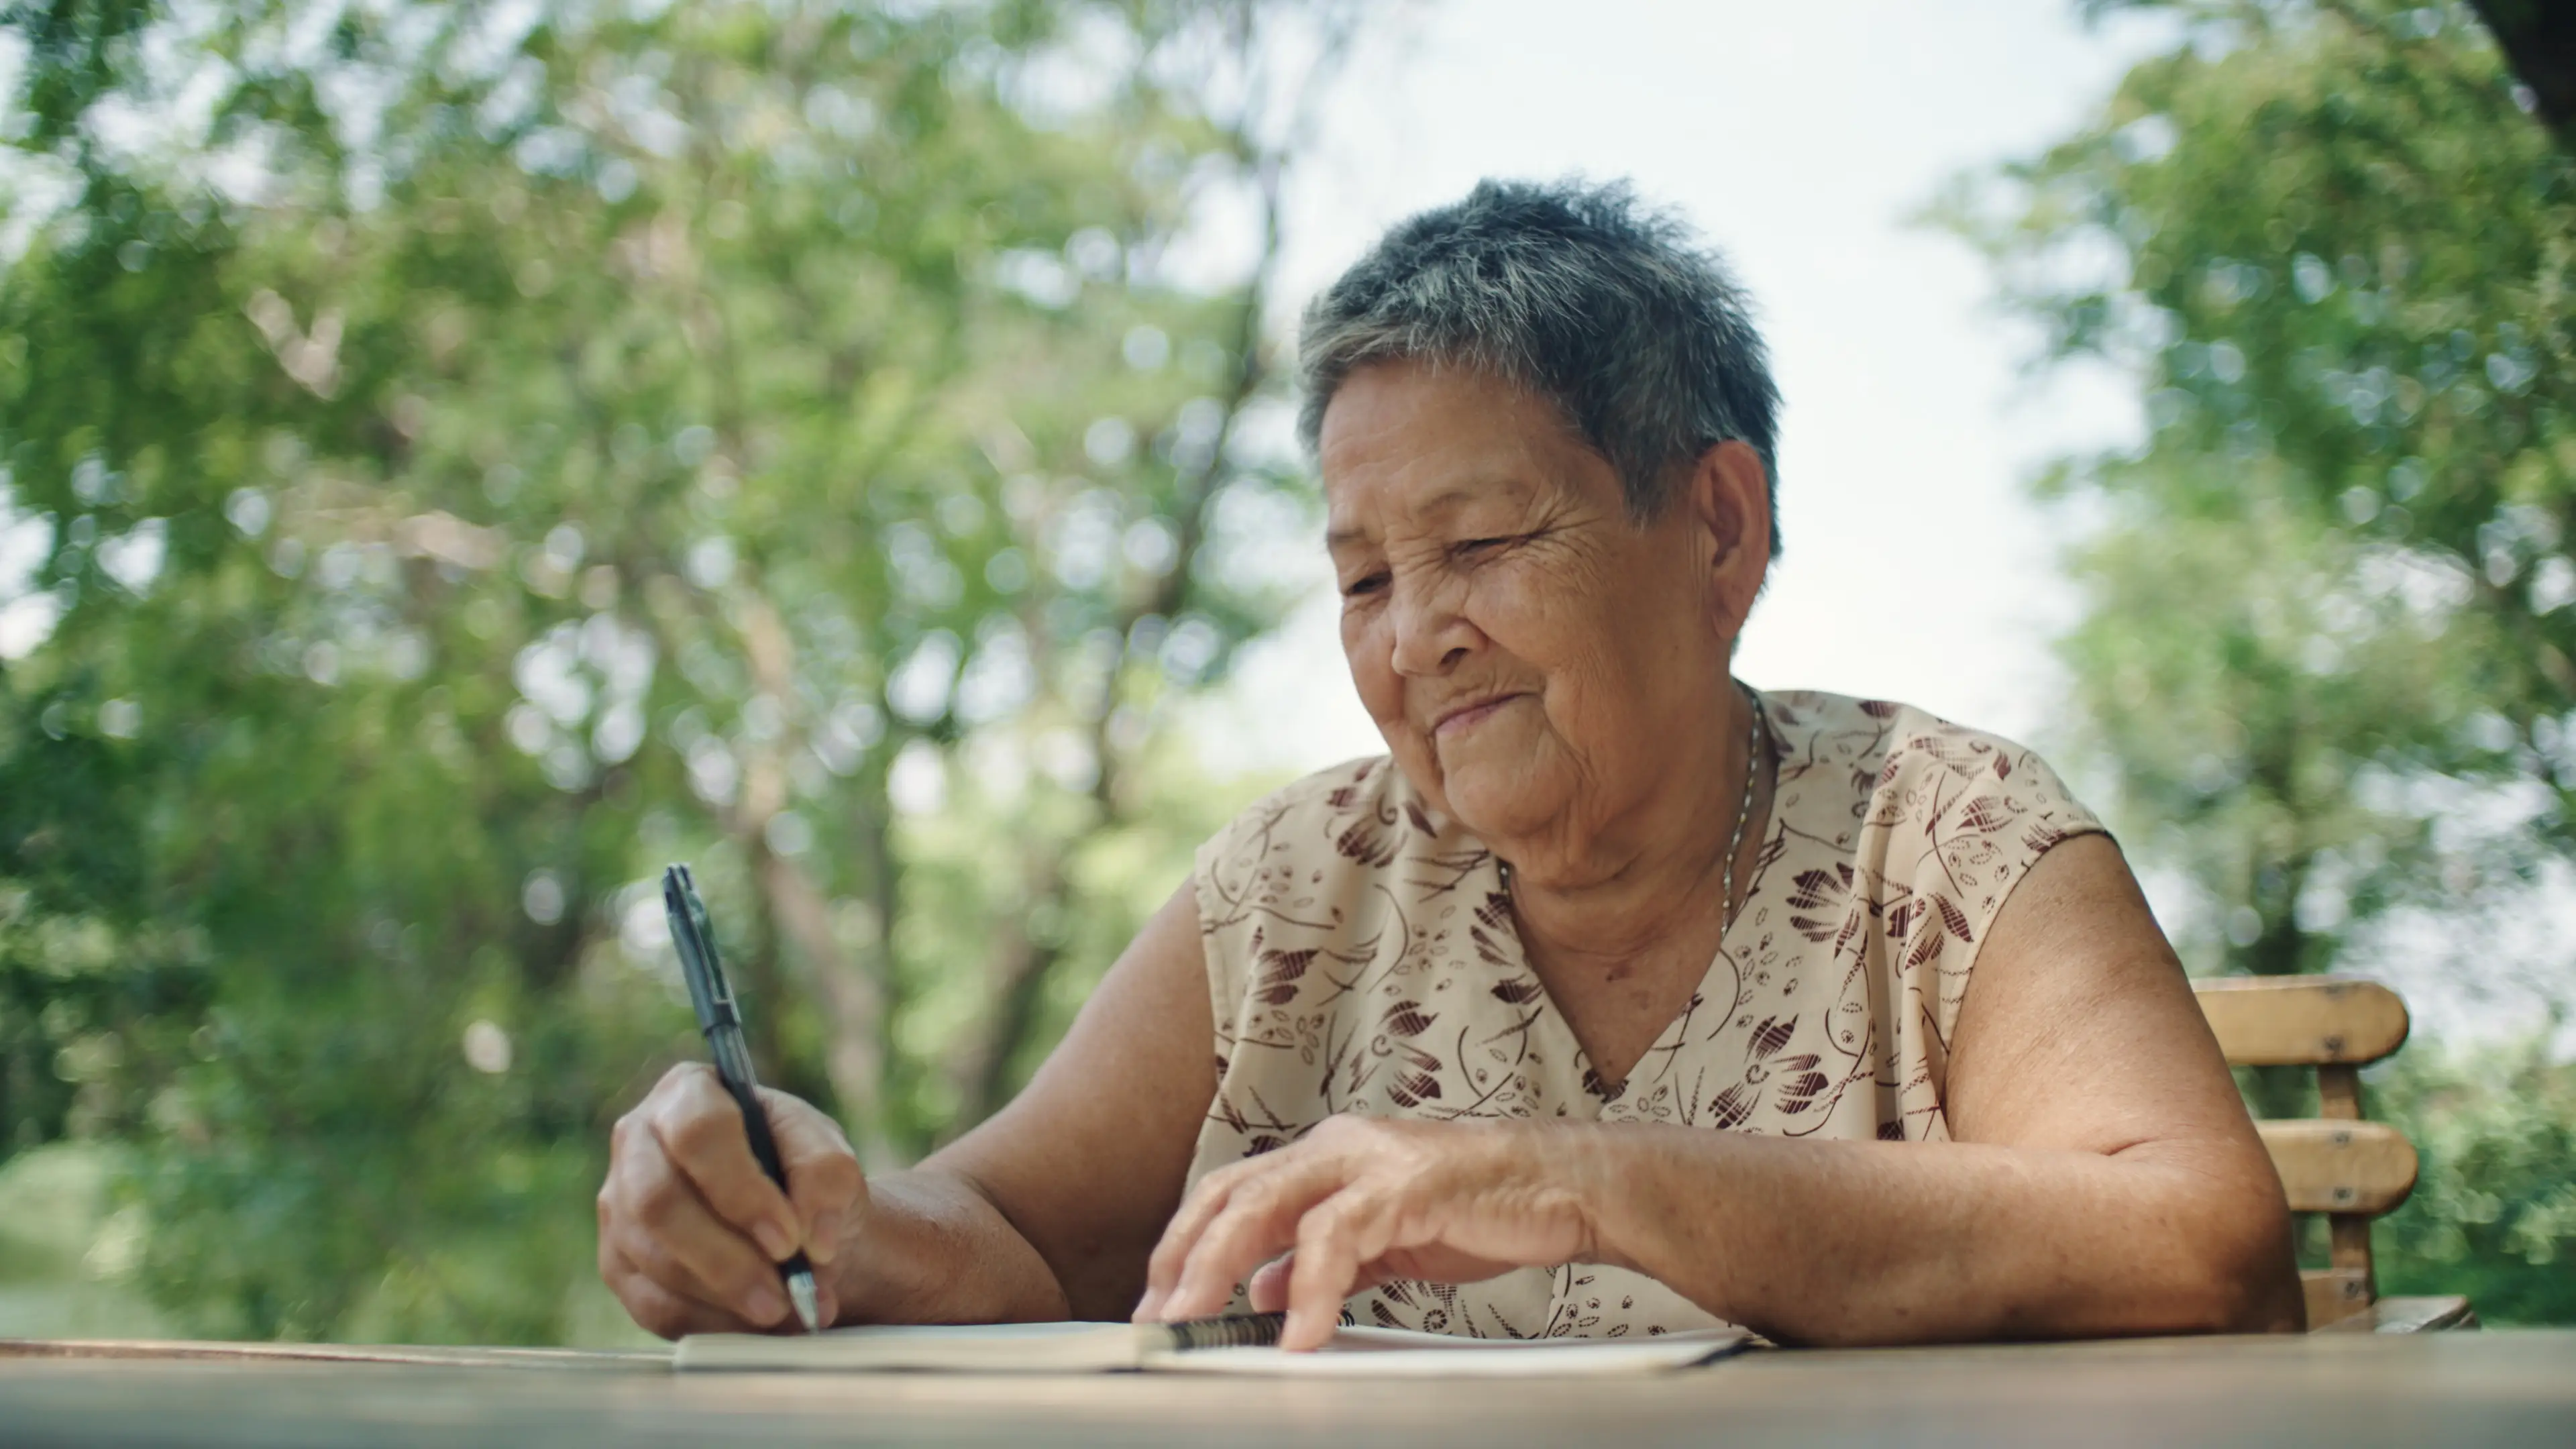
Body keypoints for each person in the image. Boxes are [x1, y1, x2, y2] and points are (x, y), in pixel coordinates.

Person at [596, 179, 2305, 1350]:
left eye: (1480, 543)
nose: (1414, 637)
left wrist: (1572, 1177)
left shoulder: (1945, 838)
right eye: (1362, 581)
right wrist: (808, 1221)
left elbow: (2204, 1242)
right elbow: (1020, 1237)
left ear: (1717, 528)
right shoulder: (1299, 891)